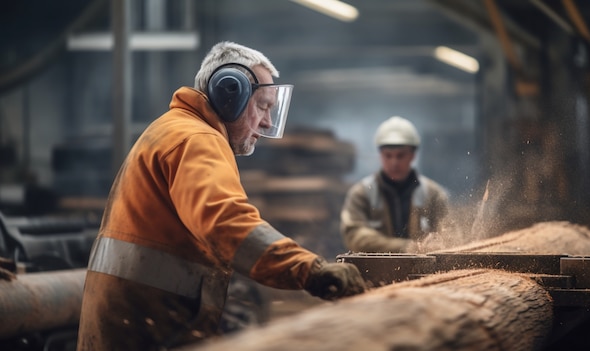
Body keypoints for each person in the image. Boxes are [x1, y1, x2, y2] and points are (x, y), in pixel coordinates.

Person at [76, 41, 366, 351]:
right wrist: (310, 270)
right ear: (231, 94)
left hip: (133, 326)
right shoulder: (197, 139)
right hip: (146, 333)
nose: (267, 122)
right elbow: (225, 222)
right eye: (263, 106)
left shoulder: (172, 130)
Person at [340, 116, 451, 253]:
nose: (394, 162)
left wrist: (438, 244)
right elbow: (354, 236)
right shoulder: (361, 194)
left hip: (425, 273)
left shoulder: (433, 194)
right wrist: (406, 247)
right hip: (373, 272)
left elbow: (450, 236)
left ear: (412, 155)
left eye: (400, 155)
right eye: (388, 155)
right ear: (380, 155)